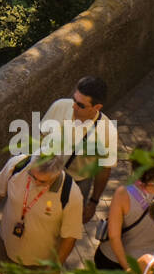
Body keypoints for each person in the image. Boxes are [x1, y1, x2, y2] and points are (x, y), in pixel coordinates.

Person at [35, 77, 118, 224]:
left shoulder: (108, 131)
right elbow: (39, 139)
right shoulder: (59, 106)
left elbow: (104, 170)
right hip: (44, 173)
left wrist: (93, 202)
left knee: (66, 223)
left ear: (97, 107)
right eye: (74, 100)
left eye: (80, 105)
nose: (73, 106)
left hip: (77, 184)